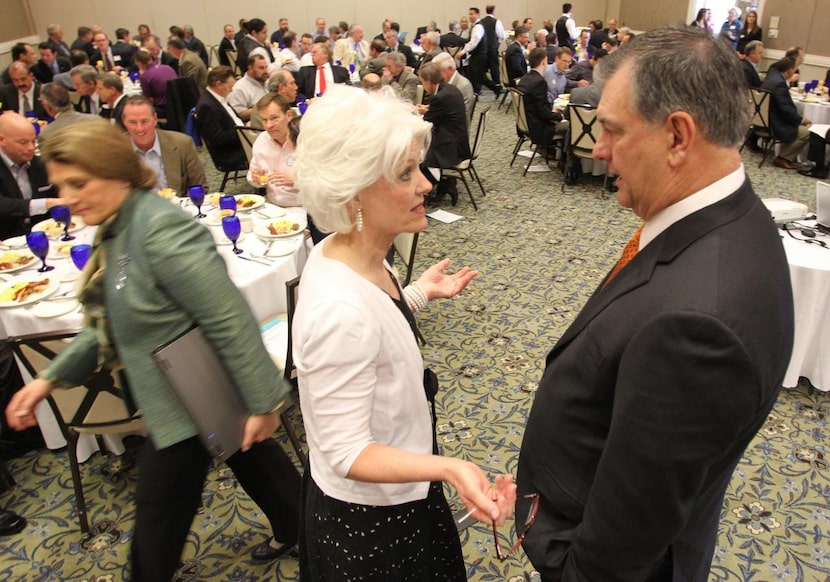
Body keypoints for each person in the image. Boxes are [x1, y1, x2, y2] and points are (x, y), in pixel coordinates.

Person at [517, 26, 794, 582]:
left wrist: (556, 555)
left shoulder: (695, 328)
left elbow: (618, 553)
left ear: (677, 137)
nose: (598, 148)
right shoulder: (733, 217)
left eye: (613, 131)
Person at [5, 120, 301, 581]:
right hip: (198, 388)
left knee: (157, 521)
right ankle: (303, 526)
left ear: (117, 171)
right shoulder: (117, 227)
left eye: (79, 183)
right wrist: (47, 378)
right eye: (61, 186)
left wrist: (265, 402)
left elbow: (228, 317)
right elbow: (111, 321)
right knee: (256, 462)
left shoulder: (160, 228)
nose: (67, 198)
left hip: (186, 400)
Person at [291, 84, 515, 580]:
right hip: (369, 523)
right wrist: (450, 468)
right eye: (405, 173)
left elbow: (371, 333)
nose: (427, 184)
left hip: (399, 488)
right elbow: (346, 451)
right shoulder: (339, 310)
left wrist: (416, 295)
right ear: (354, 192)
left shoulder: (354, 253)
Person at [122, 95, 207, 195]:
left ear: (155, 119)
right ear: (124, 122)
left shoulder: (182, 144)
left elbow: (200, 187)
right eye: (132, 122)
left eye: (144, 121)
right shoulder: (115, 151)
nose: (139, 128)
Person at [417, 63, 471, 205]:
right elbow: (444, 111)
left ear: (429, 81)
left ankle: (437, 185)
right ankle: (444, 184)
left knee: (420, 158)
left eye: (422, 82)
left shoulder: (439, 98)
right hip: (458, 139)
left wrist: (421, 113)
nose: (423, 86)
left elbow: (427, 121)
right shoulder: (450, 89)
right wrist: (429, 109)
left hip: (451, 146)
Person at [0, 112, 60, 240]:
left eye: (34, 141)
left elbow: (58, 193)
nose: (31, 147)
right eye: (23, 142)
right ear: (1, 140)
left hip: (45, 235)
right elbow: (3, 205)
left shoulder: (40, 164)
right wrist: (46, 203)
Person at [762, 57, 812, 171]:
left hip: (763, 120)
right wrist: (801, 120)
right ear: (789, 70)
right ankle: (783, 157)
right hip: (774, 123)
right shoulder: (779, 83)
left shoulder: (771, 77)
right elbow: (786, 110)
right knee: (805, 132)